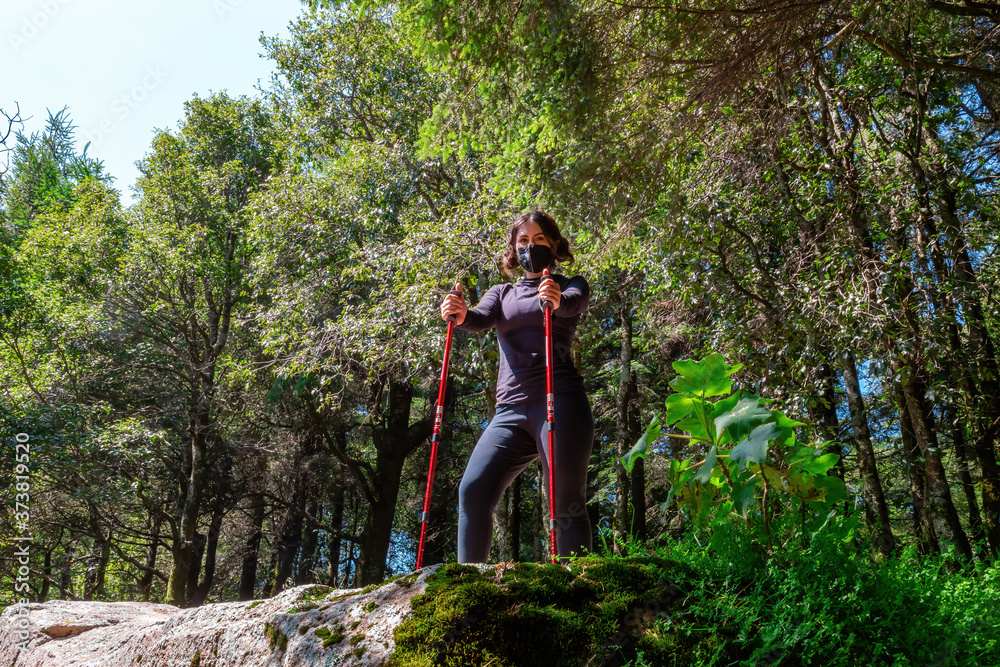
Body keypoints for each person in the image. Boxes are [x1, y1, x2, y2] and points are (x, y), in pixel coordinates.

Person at [440, 210, 594, 563]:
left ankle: (581, 594)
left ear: (554, 245)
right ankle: (469, 588)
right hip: (510, 410)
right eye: (522, 241)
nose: (530, 247)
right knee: (473, 492)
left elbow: (572, 304)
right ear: (513, 249)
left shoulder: (571, 284)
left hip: (561, 404)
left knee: (565, 500)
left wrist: (555, 299)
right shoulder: (502, 292)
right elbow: (478, 318)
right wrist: (459, 313)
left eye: (539, 240)